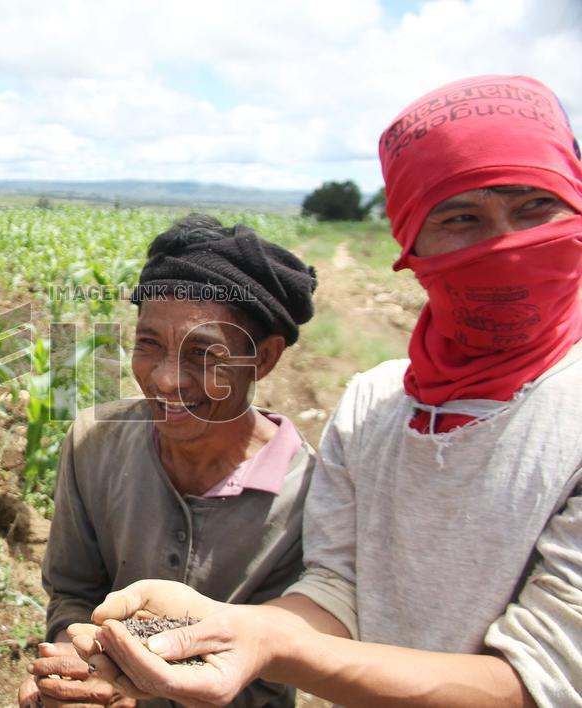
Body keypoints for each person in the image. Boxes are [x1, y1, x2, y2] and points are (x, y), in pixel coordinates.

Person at [70, 74, 582, 707]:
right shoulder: (374, 405)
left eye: (535, 207)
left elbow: (541, 683)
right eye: (461, 217)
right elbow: (336, 590)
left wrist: (263, 645)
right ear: (410, 238)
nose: (505, 243)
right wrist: (232, 630)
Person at [18, 214, 319, 708]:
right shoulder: (95, 442)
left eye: (203, 353)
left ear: (263, 358)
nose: (163, 379)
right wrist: (77, 662)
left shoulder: (308, 493)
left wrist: (141, 693)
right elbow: (75, 591)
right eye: (149, 344)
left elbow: (281, 665)